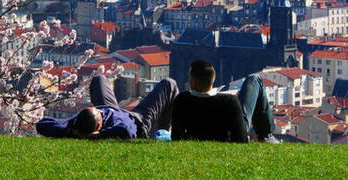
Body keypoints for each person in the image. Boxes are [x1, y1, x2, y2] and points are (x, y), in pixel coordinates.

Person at [36, 74, 178, 139]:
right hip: (137, 120)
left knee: (99, 79)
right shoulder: (119, 124)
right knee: (169, 84)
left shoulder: (74, 123)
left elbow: (42, 124)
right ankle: (164, 134)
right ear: (99, 126)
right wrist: (97, 137)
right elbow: (127, 131)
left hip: (108, 107)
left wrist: (71, 131)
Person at [171, 60, 275, 142]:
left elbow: (176, 137)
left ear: (192, 82)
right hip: (228, 135)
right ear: (213, 79)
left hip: (196, 136)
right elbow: (240, 139)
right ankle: (266, 136)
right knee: (254, 79)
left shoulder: (181, 100)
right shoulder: (229, 101)